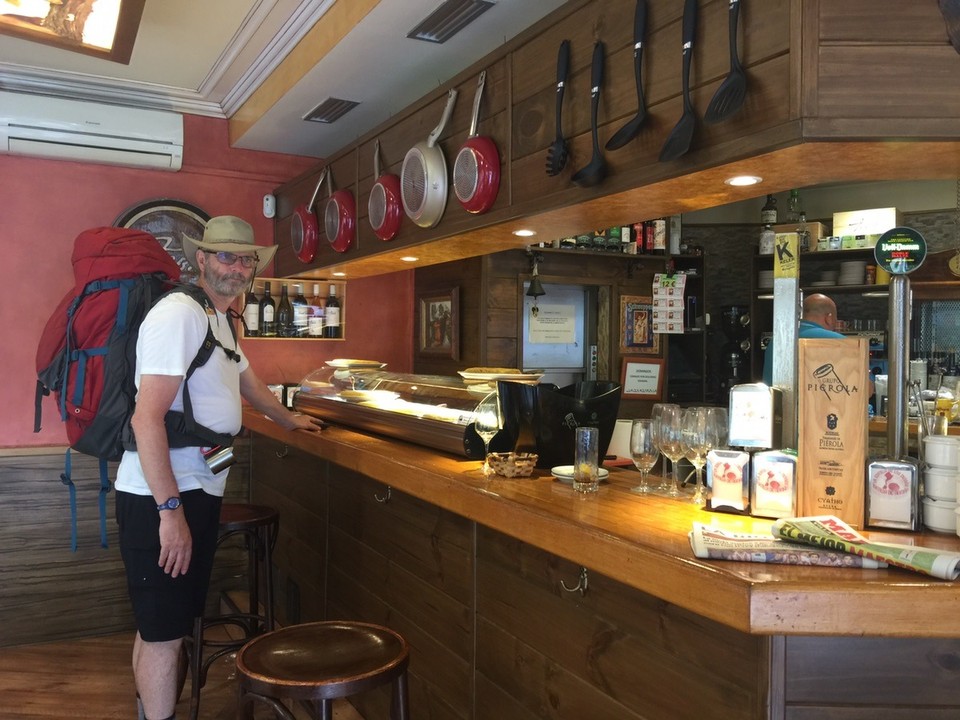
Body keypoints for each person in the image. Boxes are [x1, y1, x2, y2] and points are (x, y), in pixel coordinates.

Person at [115, 215, 323, 720]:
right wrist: (170, 513)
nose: (236, 266)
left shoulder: (221, 319)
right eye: (224, 255)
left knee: (162, 625)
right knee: (165, 634)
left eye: (244, 257)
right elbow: (147, 420)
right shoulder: (180, 315)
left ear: (254, 267)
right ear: (201, 260)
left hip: (195, 489)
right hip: (162, 495)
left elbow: (247, 384)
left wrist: (290, 418)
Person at [762, 293, 845, 385]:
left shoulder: (777, 340)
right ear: (828, 318)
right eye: (835, 319)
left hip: (776, 398)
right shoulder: (841, 342)